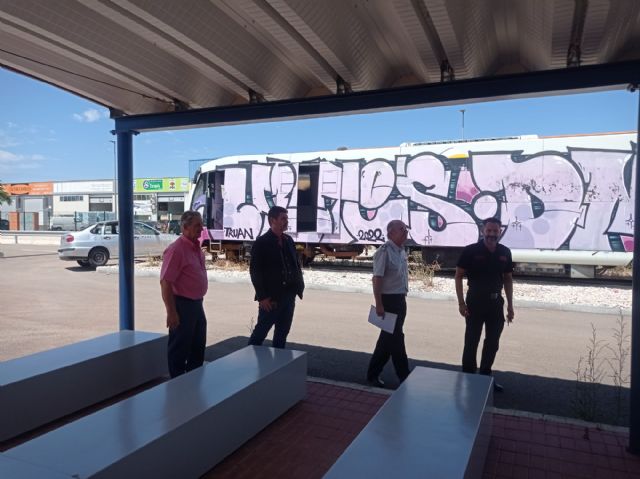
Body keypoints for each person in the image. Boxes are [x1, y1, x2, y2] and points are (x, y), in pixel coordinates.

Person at [455, 217, 514, 392]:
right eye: (489, 231)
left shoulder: (505, 252)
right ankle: (468, 377)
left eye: (495, 231)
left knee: (492, 342)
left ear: (500, 232)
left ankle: (485, 377)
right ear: (483, 231)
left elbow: (508, 279)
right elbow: (458, 276)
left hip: (496, 304)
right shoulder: (470, 251)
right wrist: (461, 303)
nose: (492, 234)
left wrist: (510, 306)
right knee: (472, 340)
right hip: (475, 302)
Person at [160, 210, 208, 378]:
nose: (201, 228)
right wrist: (171, 313)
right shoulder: (176, 250)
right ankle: (177, 385)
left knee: (197, 346)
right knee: (179, 348)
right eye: (197, 225)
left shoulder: (196, 248)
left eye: (201, 224)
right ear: (185, 227)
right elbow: (166, 282)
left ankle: (193, 382)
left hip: (196, 304)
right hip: (182, 305)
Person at [248, 206, 304, 349]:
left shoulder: (288, 240)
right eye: (283, 218)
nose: (286, 222)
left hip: (289, 295)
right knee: (260, 333)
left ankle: (277, 365)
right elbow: (255, 271)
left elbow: (295, 264)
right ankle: (249, 362)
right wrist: (262, 297)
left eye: (287, 218)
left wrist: (298, 287)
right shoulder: (262, 243)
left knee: (282, 333)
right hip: (271, 298)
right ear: (272, 220)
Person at [366, 219, 411, 388]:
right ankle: (404, 377)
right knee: (397, 340)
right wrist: (379, 303)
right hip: (389, 301)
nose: (405, 231)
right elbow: (377, 279)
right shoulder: (384, 251)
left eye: (405, 228)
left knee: (387, 340)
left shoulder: (401, 251)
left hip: (400, 300)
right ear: (391, 233)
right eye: (401, 229)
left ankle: (372, 374)